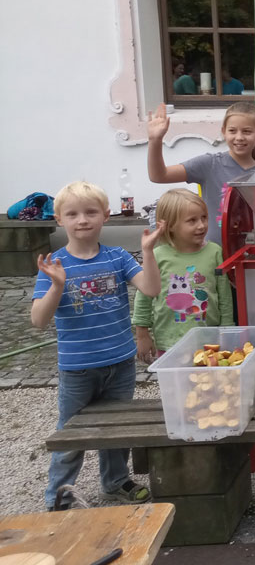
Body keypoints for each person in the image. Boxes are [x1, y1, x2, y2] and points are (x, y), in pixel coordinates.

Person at [33, 181, 163, 510]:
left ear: (105, 216)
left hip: (119, 362)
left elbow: (150, 289)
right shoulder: (54, 264)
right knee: (71, 435)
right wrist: (57, 287)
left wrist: (147, 252)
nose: (83, 220)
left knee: (117, 430)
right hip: (77, 368)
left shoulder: (118, 257)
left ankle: (115, 483)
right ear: (59, 219)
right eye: (72, 214)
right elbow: (38, 319)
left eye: (91, 212)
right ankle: (59, 496)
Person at [133, 188, 233, 359]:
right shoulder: (157, 256)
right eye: (192, 221)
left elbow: (224, 295)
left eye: (203, 217)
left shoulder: (215, 252)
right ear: (170, 226)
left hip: (209, 341)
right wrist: (142, 334)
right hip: (169, 342)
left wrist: (227, 330)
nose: (201, 225)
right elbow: (143, 297)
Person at [147, 102, 255, 245]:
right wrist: (155, 140)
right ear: (223, 131)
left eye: (247, 131)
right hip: (213, 256)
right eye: (232, 131)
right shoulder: (209, 164)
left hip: (253, 256)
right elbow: (159, 175)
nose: (239, 137)